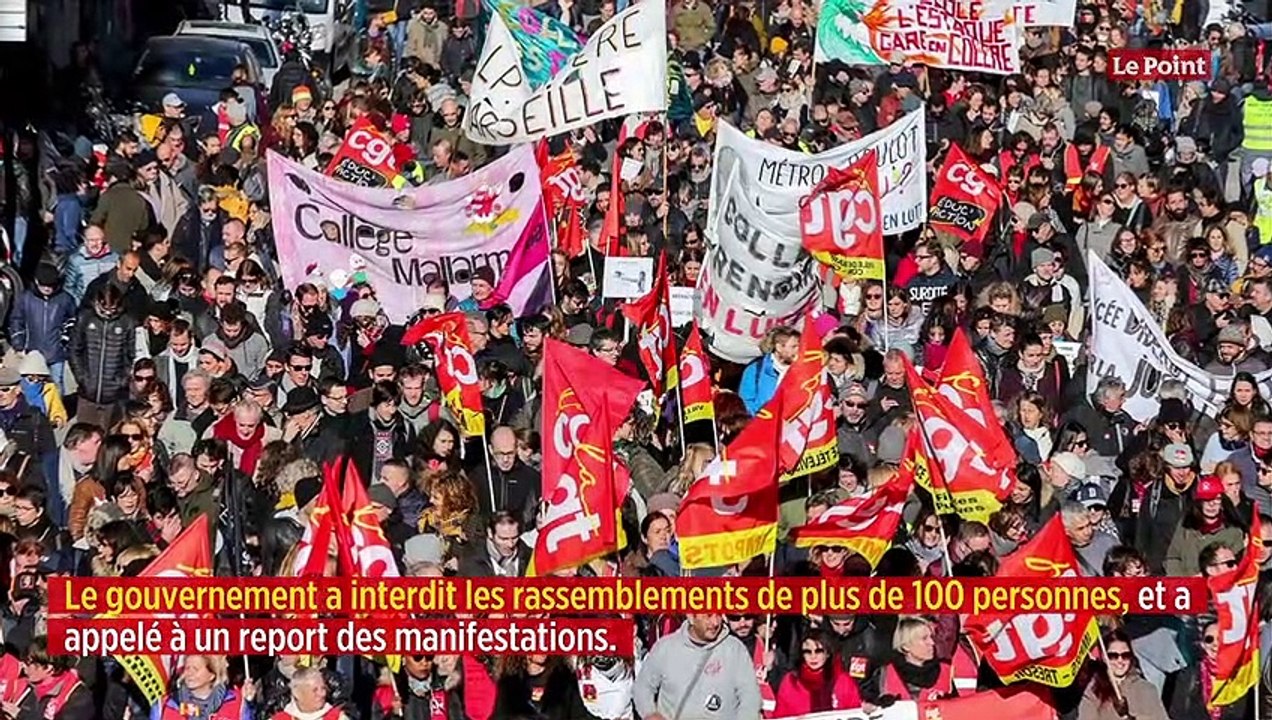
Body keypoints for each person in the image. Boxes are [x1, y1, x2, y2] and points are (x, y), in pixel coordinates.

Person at [633, 613, 761, 719]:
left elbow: (750, 696)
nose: (715, 622)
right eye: (708, 616)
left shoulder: (735, 649)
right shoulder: (665, 648)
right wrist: (650, 714)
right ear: (691, 617)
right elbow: (642, 688)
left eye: (718, 615)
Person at [1077, 630, 1169, 720]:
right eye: (1113, 656)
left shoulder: (1147, 689)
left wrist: (1132, 718)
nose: (1120, 660)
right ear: (1104, 658)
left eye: (1125, 655)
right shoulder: (1093, 692)